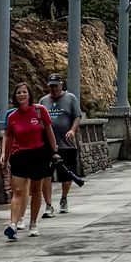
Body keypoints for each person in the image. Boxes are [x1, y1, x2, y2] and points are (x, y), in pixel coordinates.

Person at [1, 83, 57, 240]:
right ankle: (13, 224)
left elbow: (49, 131)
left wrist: (54, 151)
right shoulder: (12, 117)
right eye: (18, 92)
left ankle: (33, 223)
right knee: (18, 191)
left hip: (38, 154)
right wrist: (5, 157)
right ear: (15, 96)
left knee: (36, 190)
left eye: (24, 92)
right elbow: (10, 138)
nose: (21, 95)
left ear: (29, 94)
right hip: (20, 155)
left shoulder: (39, 111)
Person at [39, 73, 84, 213]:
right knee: (46, 175)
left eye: (56, 86)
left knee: (66, 175)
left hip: (66, 144)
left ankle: (64, 197)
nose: (53, 90)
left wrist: (72, 130)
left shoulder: (70, 98)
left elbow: (77, 116)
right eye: (51, 87)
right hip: (47, 146)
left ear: (61, 85)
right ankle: (48, 204)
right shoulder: (43, 101)